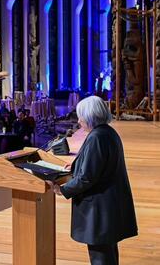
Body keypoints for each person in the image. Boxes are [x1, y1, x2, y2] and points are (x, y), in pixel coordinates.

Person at [47, 96, 137, 265]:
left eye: (81, 116)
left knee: (100, 256)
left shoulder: (97, 137)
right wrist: (75, 166)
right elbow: (98, 163)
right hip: (109, 204)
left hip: (99, 207)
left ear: (90, 116)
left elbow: (88, 177)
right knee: (108, 253)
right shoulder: (107, 132)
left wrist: (63, 189)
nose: (79, 120)